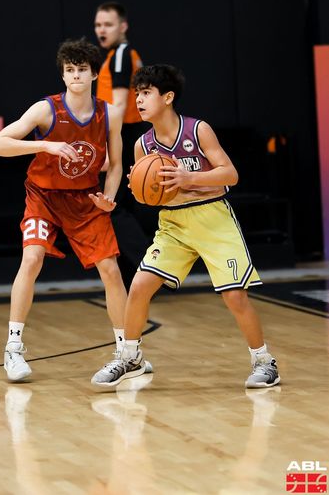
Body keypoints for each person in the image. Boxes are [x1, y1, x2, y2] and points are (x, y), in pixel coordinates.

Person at [91, 64, 281, 389]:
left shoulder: (198, 130)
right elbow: (149, 197)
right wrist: (140, 189)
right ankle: (130, 357)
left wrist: (188, 178)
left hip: (213, 220)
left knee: (235, 296)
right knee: (139, 286)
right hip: (173, 225)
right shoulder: (143, 145)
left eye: (146, 93)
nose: (139, 100)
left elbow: (230, 174)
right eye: (137, 94)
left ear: (167, 97)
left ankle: (265, 362)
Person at [0, 38, 128, 382]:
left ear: (94, 74)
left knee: (110, 269)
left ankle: (128, 351)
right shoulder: (45, 110)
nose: (75, 75)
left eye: (82, 69)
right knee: (32, 257)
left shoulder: (109, 113)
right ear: (63, 75)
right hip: (44, 197)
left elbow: (116, 165)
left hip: (85, 199)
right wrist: (45, 145)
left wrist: (109, 197)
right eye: (69, 70)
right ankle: (13, 348)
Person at [94, 1, 157, 290]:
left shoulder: (121, 55)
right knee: (127, 208)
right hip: (132, 134)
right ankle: (137, 279)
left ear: (123, 26)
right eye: (98, 25)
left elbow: (118, 105)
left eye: (108, 24)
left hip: (125, 134)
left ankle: (151, 270)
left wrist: (110, 146)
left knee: (112, 206)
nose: (102, 30)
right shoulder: (122, 54)